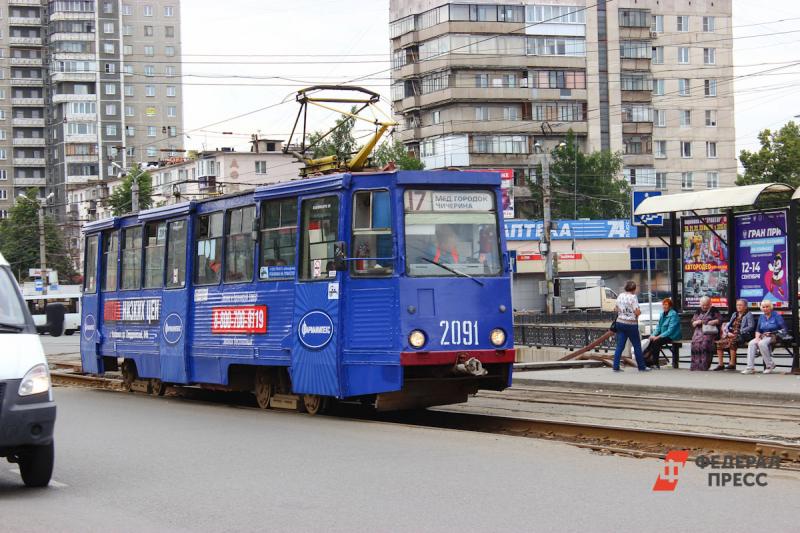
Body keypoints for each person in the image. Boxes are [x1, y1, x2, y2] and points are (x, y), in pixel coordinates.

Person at [742, 300, 787, 374]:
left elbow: (784, 329)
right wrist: (757, 338)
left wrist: (772, 333)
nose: (765, 308)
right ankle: (750, 368)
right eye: (763, 307)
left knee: (762, 343)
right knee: (751, 343)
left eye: (767, 307)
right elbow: (758, 329)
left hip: (774, 336)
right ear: (761, 308)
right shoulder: (761, 316)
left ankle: (769, 365)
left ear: (771, 307)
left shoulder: (777, 316)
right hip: (763, 336)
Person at [612, 280, 648, 372]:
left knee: (620, 346)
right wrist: (639, 312)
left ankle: (615, 367)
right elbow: (636, 311)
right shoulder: (633, 297)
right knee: (637, 345)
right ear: (634, 289)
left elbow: (616, 309)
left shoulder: (620, 296)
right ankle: (641, 367)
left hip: (620, 323)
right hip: (631, 325)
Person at [714, 299, 755, 371]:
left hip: (743, 335)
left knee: (733, 341)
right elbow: (729, 325)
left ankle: (732, 364)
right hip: (732, 334)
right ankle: (721, 364)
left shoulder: (749, 315)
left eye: (740, 305)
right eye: (737, 305)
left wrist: (738, 332)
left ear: (745, 307)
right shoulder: (734, 314)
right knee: (719, 343)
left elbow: (751, 326)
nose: (738, 307)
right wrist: (728, 332)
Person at [644, 298, 681, 368]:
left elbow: (670, 330)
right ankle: (647, 361)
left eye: (666, 305)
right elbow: (658, 327)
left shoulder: (673, 314)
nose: (664, 306)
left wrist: (658, 336)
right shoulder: (662, 314)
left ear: (670, 306)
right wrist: (652, 335)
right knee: (650, 340)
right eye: (663, 304)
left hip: (672, 335)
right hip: (663, 334)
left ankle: (655, 363)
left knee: (656, 341)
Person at [690, 296, 722, 371]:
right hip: (698, 332)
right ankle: (695, 366)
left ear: (710, 304)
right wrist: (696, 322)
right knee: (695, 343)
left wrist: (714, 321)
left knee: (704, 343)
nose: (704, 307)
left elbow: (720, 319)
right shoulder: (698, 310)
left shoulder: (714, 310)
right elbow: (693, 322)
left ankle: (704, 365)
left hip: (709, 332)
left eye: (706, 305)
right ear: (700, 304)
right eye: (703, 305)